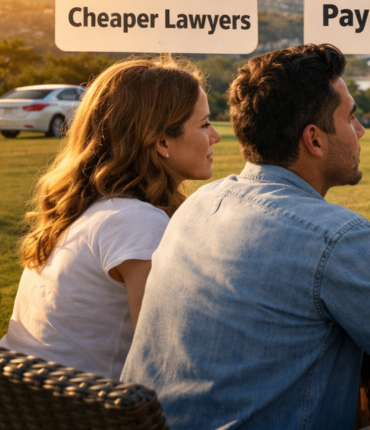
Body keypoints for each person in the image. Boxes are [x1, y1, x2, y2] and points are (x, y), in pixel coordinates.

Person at [122, 44, 370, 429]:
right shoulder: (337, 238)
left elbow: (284, 287)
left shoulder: (201, 204)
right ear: (314, 140)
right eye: (351, 117)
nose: (361, 130)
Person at [0, 57, 221, 379]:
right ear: (161, 141)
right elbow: (169, 357)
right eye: (204, 124)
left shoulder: (91, 208)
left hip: (32, 406)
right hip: (91, 413)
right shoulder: (134, 222)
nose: (214, 136)